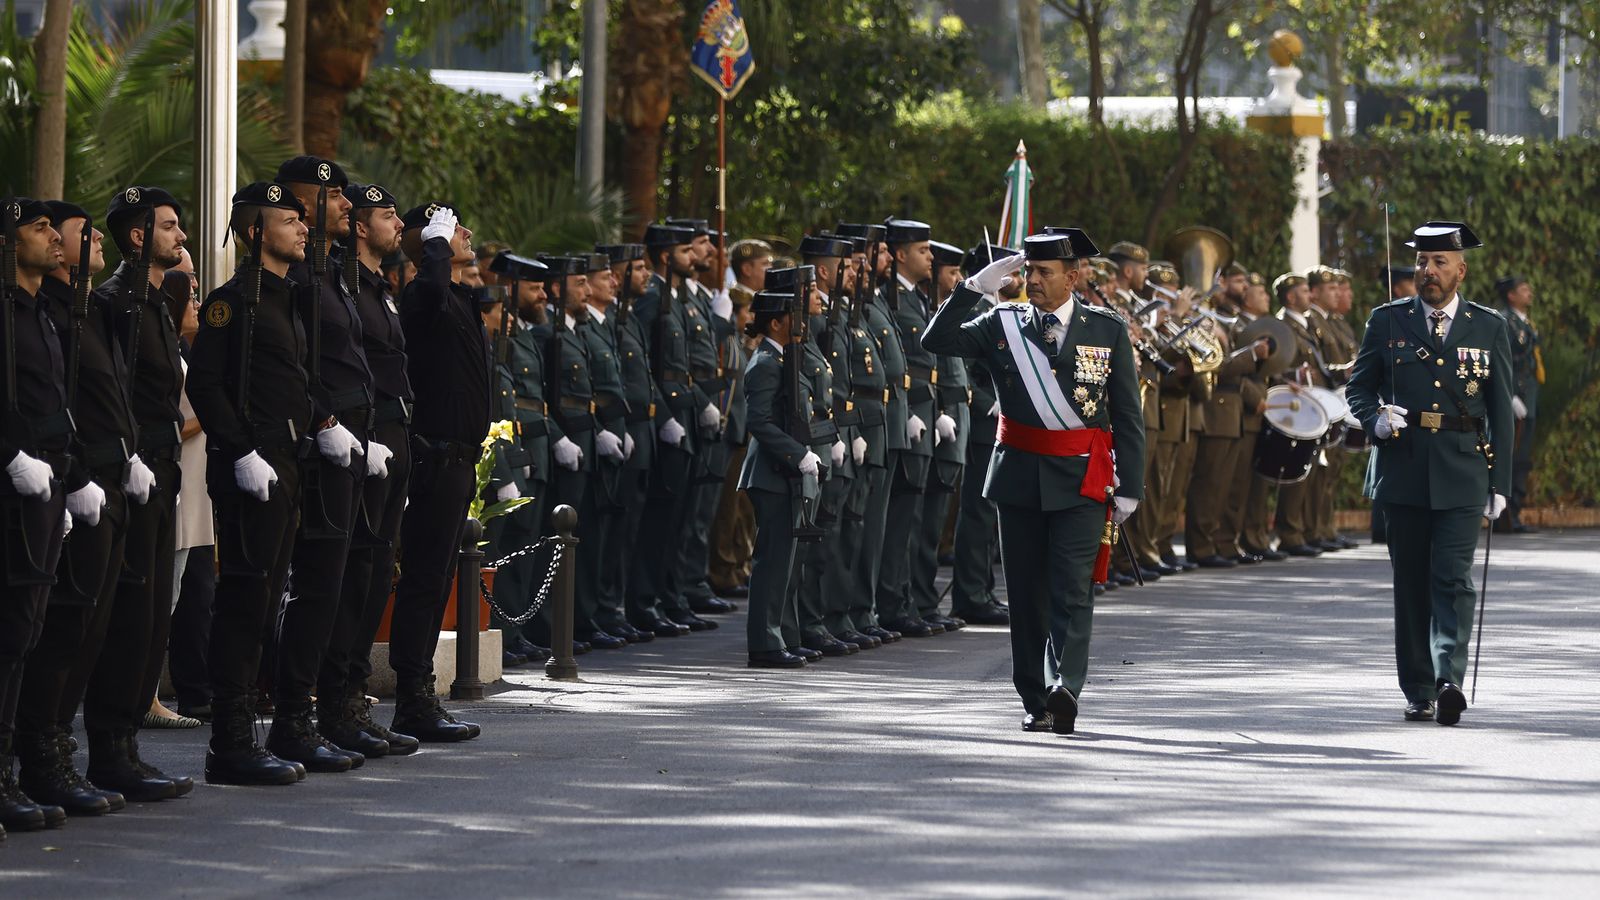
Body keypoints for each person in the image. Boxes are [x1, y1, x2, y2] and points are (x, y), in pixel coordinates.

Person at [923, 231, 1145, 735]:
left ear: (1074, 277)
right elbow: (935, 341)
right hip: (1019, 476)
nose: (1034, 281)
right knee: (1026, 596)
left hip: (1082, 480)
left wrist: (1129, 484)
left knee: (1073, 588)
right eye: (1031, 271)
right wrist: (974, 288)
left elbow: (1127, 415)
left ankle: (1065, 686)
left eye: (1046, 273)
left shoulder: (1106, 329)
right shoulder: (1002, 323)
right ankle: (1035, 696)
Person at [1346, 221, 1512, 726]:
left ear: (1461, 270)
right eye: (1422, 262)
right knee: (1413, 583)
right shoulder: (1387, 320)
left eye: (1439, 262)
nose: (1428, 271)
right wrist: (1374, 420)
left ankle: (1449, 680)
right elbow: (1359, 387)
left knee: (1454, 581)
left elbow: (1501, 410)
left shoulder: (1488, 326)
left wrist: (1499, 483)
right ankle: (1418, 687)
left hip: (1463, 469)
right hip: (1404, 465)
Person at [188, 182, 312, 785]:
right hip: (251, 464)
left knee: (266, 600)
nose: (303, 228)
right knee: (243, 599)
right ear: (257, 231)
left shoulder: (290, 299)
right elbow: (206, 385)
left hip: (287, 461)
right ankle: (230, 741)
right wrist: (239, 450)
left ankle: (251, 732)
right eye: (290, 220)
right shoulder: (230, 303)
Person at [264, 156, 376, 773]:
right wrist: (324, 422)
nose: (342, 206)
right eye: (332, 196)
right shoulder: (300, 279)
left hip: (352, 442)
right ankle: (294, 717)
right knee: (313, 589)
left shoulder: (332, 273)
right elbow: (300, 368)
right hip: (315, 446)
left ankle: (331, 710)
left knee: (343, 584)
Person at [89, 185, 192, 796]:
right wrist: (126, 457)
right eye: (170, 227)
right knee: (128, 613)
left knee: (153, 615)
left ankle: (127, 746)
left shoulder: (156, 301)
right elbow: (111, 395)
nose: (181, 237)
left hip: (163, 471)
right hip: (132, 472)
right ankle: (109, 750)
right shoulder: (115, 304)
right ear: (138, 237)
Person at [320, 182, 420, 755]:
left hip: (391, 433)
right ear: (360, 226)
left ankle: (353, 698)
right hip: (364, 436)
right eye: (387, 215)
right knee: (355, 574)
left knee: (378, 571)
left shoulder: (378, 287)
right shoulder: (346, 283)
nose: (397, 224)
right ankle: (337, 702)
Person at [388, 201, 487, 742]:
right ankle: (412, 698)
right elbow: (426, 291)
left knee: (436, 579)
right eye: (452, 228)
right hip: (435, 458)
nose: (464, 233)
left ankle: (419, 696)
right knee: (423, 583)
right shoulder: (422, 297)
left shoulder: (455, 299)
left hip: (459, 459)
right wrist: (435, 245)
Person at [628, 224, 711, 634]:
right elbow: (647, 366)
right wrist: (664, 418)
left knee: (678, 517)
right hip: (670, 419)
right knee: (661, 518)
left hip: (687, 416)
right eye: (684, 250)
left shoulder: (676, 298)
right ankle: (647, 600)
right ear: (665, 256)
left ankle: (671, 596)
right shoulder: (652, 301)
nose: (693, 256)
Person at [738, 285, 823, 668]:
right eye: (795, 316)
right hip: (769, 474)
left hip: (783, 473)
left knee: (786, 563)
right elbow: (758, 421)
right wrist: (798, 453)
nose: (803, 323)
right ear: (776, 322)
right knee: (772, 563)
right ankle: (765, 644)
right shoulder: (765, 363)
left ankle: (782, 636)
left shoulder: (784, 360)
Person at [947, 243, 1017, 625]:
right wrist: (987, 402)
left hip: (998, 423)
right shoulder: (975, 310)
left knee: (988, 513)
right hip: (982, 423)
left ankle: (982, 590)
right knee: (976, 511)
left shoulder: (995, 310)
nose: (1018, 278)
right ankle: (970, 594)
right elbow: (964, 372)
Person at [1185, 264, 1272, 567]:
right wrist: (1250, 355)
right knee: (1210, 485)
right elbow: (1217, 366)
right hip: (1218, 409)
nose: (1243, 287)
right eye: (1236, 281)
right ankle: (1202, 545)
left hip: (1231, 411)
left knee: (1227, 486)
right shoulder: (1204, 318)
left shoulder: (1227, 320)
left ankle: (1221, 542)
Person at [158, 247, 213, 727]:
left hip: (194, 488)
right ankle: (147, 698)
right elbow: (167, 423)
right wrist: (211, 416)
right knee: (166, 596)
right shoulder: (163, 349)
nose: (196, 297)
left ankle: (163, 695)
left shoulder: (182, 348)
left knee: (183, 592)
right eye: (189, 290)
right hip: (173, 484)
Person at [1270, 271, 1329, 557]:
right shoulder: (1281, 325)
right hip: (1292, 406)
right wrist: (1294, 374)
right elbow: (1273, 368)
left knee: (1309, 470)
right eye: (1306, 291)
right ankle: (1290, 533)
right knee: (1293, 471)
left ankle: (1303, 530)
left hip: (1310, 405)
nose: (1311, 295)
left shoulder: (1306, 325)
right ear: (1291, 297)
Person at [1495, 274, 1540, 534]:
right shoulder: (1505, 321)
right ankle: (1506, 515)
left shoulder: (1524, 322)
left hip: (1528, 398)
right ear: (1511, 295)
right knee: (1511, 457)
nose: (1529, 292)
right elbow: (1504, 361)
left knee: (1522, 457)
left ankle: (1515, 512)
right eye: (1524, 289)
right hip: (1516, 398)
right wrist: (1509, 395)